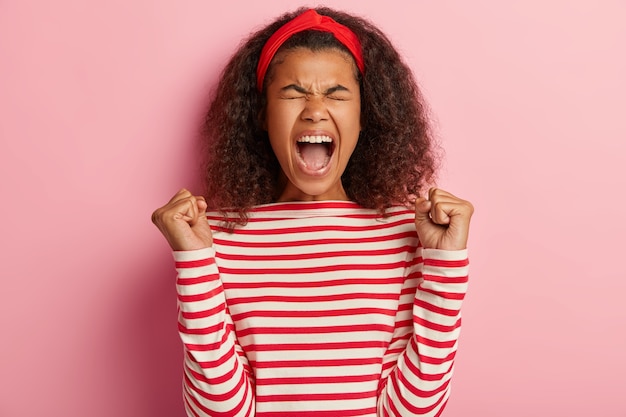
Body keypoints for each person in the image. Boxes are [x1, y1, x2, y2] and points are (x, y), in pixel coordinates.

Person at [152, 7, 474, 417]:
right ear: (263, 115)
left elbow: (414, 411)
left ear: (363, 117)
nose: (315, 109)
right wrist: (193, 260)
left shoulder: (406, 232)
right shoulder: (213, 237)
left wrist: (445, 263)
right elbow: (220, 412)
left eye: (337, 94)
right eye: (292, 93)